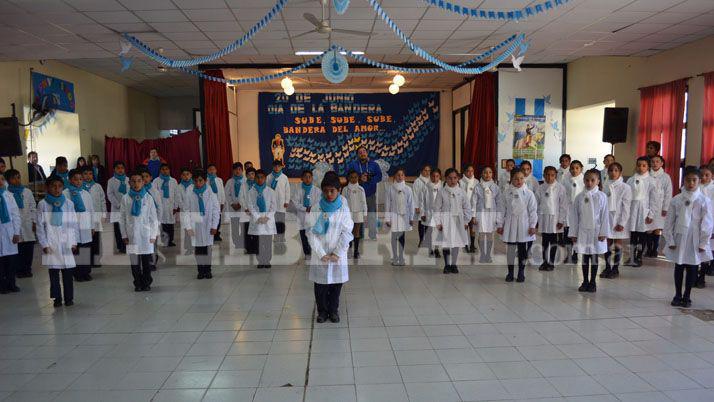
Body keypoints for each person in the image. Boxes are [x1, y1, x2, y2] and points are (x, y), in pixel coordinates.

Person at [307, 171, 354, 323]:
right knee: (320, 286)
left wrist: (337, 253)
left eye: (332, 190)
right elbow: (311, 232)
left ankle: (333, 310)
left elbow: (347, 233)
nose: (328, 194)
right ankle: (322, 311)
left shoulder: (343, 208)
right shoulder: (316, 208)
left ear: (339, 190)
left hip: (337, 255)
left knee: (336, 285)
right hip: (320, 254)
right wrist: (321, 253)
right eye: (325, 190)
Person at [664, 166, 713, 308]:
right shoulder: (676, 199)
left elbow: (707, 223)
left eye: (694, 180)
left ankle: (687, 295)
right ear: (683, 180)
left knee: (692, 267)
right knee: (679, 266)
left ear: (699, 182)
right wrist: (670, 239)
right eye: (688, 180)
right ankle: (677, 294)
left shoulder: (703, 200)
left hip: (695, 237)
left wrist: (703, 243)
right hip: (679, 237)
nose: (691, 183)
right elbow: (669, 221)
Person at [36, 176, 78, 307]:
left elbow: (73, 224)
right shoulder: (43, 204)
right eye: (53, 186)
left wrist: (74, 241)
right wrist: (44, 244)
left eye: (60, 186)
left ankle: (69, 298)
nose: (57, 189)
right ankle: (57, 298)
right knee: (53, 273)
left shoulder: (68, 203)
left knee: (68, 272)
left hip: (66, 242)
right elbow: (39, 226)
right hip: (51, 243)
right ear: (47, 188)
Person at [569, 169, 610, 293]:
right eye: (587, 180)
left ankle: (593, 282)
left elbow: (604, 216)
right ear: (584, 181)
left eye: (593, 180)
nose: (589, 183)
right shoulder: (579, 197)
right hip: (583, 231)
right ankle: (585, 281)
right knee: (585, 257)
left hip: (596, 232)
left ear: (598, 181)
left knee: (594, 256)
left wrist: (603, 232)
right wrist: (573, 233)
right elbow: (574, 216)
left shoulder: (601, 196)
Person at [120, 170, 159, 291]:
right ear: (129, 183)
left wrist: (153, 235)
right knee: (135, 261)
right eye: (133, 181)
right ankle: (137, 282)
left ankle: (146, 282)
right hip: (131, 234)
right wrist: (124, 235)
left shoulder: (148, 198)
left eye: (139, 181)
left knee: (146, 261)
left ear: (143, 182)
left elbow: (153, 218)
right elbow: (122, 218)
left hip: (146, 235)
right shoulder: (125, 198)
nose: (136, 184)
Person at [497, 168, 537, 283]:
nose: (519, 181)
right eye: (516, 179)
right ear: (511, 179)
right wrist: (500, 224)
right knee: (510, 249)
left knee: (522, 250)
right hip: (510, 224)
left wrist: (533, 225)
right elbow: (502, 210)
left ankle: (521, 272)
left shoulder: (529, 194)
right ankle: (510, 272)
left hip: (524, 224)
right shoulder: (506, 193)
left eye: (521, 178)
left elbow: (533, 211)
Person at [182, 169, 220, 278]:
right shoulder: (189, 191)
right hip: (195, 223)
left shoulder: (210, 191)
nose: (198, 183)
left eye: (200, 181)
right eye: (195, 181)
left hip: (208, 223)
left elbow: (216, 210)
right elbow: (186, 210)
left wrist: (214, 225)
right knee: (198, 248)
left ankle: (208, 270)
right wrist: (188, 226)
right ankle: (200, 270)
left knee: (207, 248)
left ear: (205, 180)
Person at [434, 168, 471, 274]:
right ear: (446, 179)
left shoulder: (461, 192)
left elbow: (467, 207)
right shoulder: (442, 192)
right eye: (450, 178)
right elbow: (437, 208)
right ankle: (446, 265)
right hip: (446, 221)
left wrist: (466, 221)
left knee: (456, 243)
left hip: (458, 221)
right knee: (446, 243)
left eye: (455, 178)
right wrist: (438, 222)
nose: (453, 180)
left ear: (458, 178)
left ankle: (454, 264)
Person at [600, 162, 632, 279]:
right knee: (607, 243)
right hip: (607, 218)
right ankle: (607, 267)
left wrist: (622, 222)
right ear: (607, 172)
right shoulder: (605, 185)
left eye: (616, 170)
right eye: (611, 170)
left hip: (619, 219)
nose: (613, 173)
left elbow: (626, 206)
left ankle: (615, 268)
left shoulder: (625, 187)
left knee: (617, 244)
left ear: (620, 172)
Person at [64, 169, 96, 282]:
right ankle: (77, 273)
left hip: (86, 225)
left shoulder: (86, 193)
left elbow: (91, 210)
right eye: (75, 179)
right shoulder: (65, 194)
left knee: (85, 249)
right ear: (70, 180)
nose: (78, 182)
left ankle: (86, 272)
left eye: (80, 179)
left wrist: (92, 226)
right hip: (72, 226)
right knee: (76, 250)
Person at [626, 157, 657, 267]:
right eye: (639, 165)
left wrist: (651, 213)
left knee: (642, 234)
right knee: (633, 234)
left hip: (644, 210)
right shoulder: (630, 180)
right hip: (632, 209)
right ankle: (632, 256)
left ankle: (639, 255)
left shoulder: (651, 181)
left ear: (648, 167)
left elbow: (653, 199)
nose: (641, 167)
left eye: (644, 165)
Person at [6, 169, 37, 279]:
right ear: (8, 180)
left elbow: (33, 207)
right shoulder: (7, 193)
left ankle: (27, 269)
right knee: (17, 249)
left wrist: (34, 221)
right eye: (13, 178)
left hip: (28, 223)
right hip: (14, 225)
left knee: (28, 249)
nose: (17, 180)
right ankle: (18, 270)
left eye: (18, 177)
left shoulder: (27, 192)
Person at [347, 146, 383, 240]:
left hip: (370, 193)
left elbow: (379, 176)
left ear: (367, 153)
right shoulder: (353, 165)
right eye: (360, 152)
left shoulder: (374, 165)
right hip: (357, 196)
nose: (362, 153)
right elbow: (348, 176)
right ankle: (360, 235)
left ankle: (372, 235)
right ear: (357, 155)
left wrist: (370, 178)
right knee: (359, 215)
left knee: (371, 214)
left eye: (364, 151)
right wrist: (359, 178)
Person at [535, 166, 567, 271]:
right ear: (544, 175)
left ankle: (551, 262)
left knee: (553, 241)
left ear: (555, 176)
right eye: (547, 175)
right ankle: (544, 261)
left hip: (555, 219)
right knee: (544, 241)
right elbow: (536, 204)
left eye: (552, 175)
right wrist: (536, 220)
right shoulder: (540, 188)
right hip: (544, 217)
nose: (549, 177)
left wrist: (561, 220)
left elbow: (563, 205)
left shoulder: (560, 188)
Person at [247, 169, 277, 269]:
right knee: (258, 243)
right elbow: (250, 206)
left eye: (262, 177)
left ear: (265, 178)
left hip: (268, 220)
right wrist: (258, 217)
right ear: (255, 178)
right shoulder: (251, 192)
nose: (260, 180)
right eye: (258, 177)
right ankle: (260, 260)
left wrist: (267, 217)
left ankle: (267, 260)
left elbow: (273, 206)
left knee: (267, 242)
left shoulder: (271, 191)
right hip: (257, 220)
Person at [384, 168, 414, 266]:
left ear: (404, 177)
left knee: (401, 237)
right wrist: (387, 218)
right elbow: (387, 204)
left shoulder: (408, 189)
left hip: (404, 216)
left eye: (402, 175)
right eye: (398, 175)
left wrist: (411, 218)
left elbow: (411, 204)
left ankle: (401, 256)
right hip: (394, 216)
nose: (400, 177)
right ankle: (395, 257)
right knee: (394, 237)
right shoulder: (390, 189)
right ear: (394, 177)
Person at [646, 155, 672, 258]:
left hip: (660, 206)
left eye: (657, 161)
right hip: (648, 205)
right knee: (648, 228)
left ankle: (655, 249)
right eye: (653, 161)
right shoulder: (647, 175)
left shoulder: (666, 177)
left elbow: (668, 193)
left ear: (661, 163)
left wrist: (665, 207)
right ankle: (648, 248)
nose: (655, 163)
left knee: (657, 228)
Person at [473, 166, 500, 263]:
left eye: (490, 172)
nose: (487, 174)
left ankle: (488, 255)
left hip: (492, 213)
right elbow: (473, 202)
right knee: (481, 234)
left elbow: (499, 202)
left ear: (492, 174)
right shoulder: (477, 187)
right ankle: (482, 255)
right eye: (485, 172)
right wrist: (473, 216)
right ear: (481, 174)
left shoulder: (496, 187)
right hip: (481, 213)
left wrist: (498, 217)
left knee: (489, 235)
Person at [292, 170, 321, 258]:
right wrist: (305, 208)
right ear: (302, 178)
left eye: (309, 177)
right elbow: (295, 202)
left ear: (312, 178)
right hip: (302, 215)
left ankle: (313, 251)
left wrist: (311, 208)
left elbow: (318, 203)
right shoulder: (298, 189)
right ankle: (306, 253)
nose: (307, 179)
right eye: (305, 177)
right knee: (303, 235)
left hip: (312, 215)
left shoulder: (317, 190)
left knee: (312, 234)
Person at [0, 173, 21, 293]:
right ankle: (2, 286)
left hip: (10, 232)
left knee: (11, 261)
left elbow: (15, 215)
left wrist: (16, 232)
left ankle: (11, 283)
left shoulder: (9, 196)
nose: (1, 181)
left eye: (2, 179)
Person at [82, 166, 106, 268]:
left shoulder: (97, 186)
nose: (88, 176)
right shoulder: (80, 188)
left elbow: (102, 201)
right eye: (86, 174)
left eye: (90, 174)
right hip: (84, 218)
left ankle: (96, 260)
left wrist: (103, 214)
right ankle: (87, 261)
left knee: (96, 239)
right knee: (86, 240)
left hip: (96, 217)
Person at [562, 160, 585, 264]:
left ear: (581, 169)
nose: (574, 170)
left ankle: (575, 254)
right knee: (567, 233)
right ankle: (568, 254)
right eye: (572, 168)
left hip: (580, 209)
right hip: (568, 209)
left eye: (577, 168)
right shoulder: (565, 179)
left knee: (576, 233)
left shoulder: (584, 180)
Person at [342, 170, 367, 259]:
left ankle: (356, 252)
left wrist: (365, 213)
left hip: (358, 213)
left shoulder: (361, 189)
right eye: (351, 177)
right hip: (348, 214)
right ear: (348, 178)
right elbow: (343, 202)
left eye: (355, 177)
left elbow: (364, 202)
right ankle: (348, 249)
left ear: (358, 178)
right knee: (348, 231)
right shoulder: (345, 189)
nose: (353, 179)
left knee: (356, 232)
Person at [153, 163, 179, 247]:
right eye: (163, 169)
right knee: (163, 224)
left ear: (169, 170)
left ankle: (170, 240)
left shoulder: (173, 181)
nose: (165, 171)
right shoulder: (156, 181)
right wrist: (156, 207)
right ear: (160, 170)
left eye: (166, 169)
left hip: (171, 206)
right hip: (161, 206)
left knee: (170, 225)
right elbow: (154, 194)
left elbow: (176, 194)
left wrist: (175, 206)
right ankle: (164, 240)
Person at [697, 165, 714, 286]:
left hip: (709, 224)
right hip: (696, 223)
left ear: (712, 176)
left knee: (706, 250)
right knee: (695, 251)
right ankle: (694, 276)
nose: (703, 177)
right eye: (701, 175)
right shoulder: (695, 187)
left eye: (706, 175)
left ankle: (702, 277)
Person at [107, 161, 129, 254]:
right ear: (114, 169)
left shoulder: (128, 180)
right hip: (117, 208)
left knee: (127, 227)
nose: (120, 170)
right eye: (118, 168)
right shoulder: (111, 181)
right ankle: (120, 246)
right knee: (118, 228)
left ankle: (127, 245)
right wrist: (118, 204)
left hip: (127, 208)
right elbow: (110, 194)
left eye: (122, 168)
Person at [420, 168, 442, 258]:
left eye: (437, 176)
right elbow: (422, 201)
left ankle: (436, 249)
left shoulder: (442, 186)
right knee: (429, 231)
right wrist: (423, 213)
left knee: (438, 232)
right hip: (429, 212)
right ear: (430, 176)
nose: (435, 178)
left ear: (440, 176)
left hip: (439, 213)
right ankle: (430, 249)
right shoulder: (426, 186)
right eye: (433, 176)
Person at [267, 160, 290, 243]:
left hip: (281, 203)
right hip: (272, 204)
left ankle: (282, 237)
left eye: (278, 166)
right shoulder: (269, 177)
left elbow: (287, 190)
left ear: (281, 167)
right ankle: (276, 237)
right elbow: (266, 190)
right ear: (273, 167)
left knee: (281, 221)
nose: (277, 168)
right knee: (274, 221)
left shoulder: (284, 177)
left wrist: (287, 201)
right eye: (275, 166)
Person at [224, 162, 246, 251]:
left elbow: (246, 194)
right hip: (233, 208)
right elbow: (227, 194)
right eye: (235, 169)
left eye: (239, 169)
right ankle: (236, 242)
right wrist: (232, 204)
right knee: (235, 226)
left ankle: (243, 241)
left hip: (243, 207)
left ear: (242, 170)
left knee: (243, 226)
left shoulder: (245, 181)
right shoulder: (230, 181)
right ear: (233, 171)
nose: (237, 171)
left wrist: (241, 204)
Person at [460, 164, 478, 253]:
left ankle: (472, 245)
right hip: (463, 209)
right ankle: (465, 244)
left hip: (473, 209)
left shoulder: (476, 182)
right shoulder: (460, 182)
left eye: (472, 171)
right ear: (464, 172)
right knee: (464, 227)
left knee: (473, 228)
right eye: (468, 171)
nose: (470, 173)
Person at [413, 165, 432, 248]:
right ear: (421, 171)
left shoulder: (432, 180)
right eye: (425, 170)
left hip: (429, 206)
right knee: (421, 223)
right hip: (421, 206)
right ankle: (421, 240)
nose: (427, 172)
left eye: (429, 170)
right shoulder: (417, 181)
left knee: (428, 223)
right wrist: (416, 206)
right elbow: (415, 194)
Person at [206, 164, 226, 241]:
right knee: (210, 219)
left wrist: (222, 202)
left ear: (216, 170)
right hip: (209, 204)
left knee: (218, 219)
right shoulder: (205, 180)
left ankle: (217, 234)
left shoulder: (219, 180)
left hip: (218, 202)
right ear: (207, 171)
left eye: (213, 169)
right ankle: (210, 234)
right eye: (210, 169)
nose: (212, 171)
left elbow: (222, 191)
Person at [241, 167, 258, 255]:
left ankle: (255, 247)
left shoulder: (258, 184)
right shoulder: (243, 185)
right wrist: (245, 208)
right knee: (246, 230)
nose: (251, 176)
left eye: (253, 174)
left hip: (255, 212)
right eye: (249, 174)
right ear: (246, 175)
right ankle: (248, 248)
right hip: (246, 212)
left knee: (255, 230)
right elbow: (241, 197)